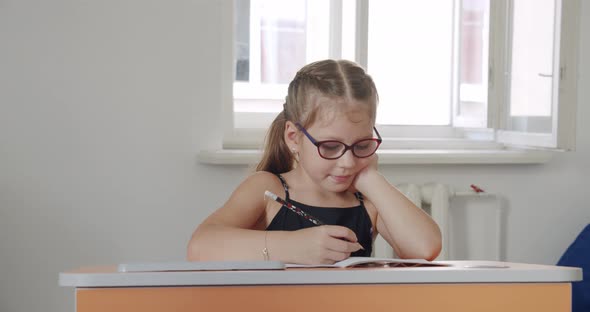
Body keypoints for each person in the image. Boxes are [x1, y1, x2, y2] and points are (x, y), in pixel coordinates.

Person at [188, 59, 441, 264]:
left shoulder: (367, 202)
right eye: (330, 147)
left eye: (362, 145)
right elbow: (200, 247)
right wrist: (291, 247)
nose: (348, 162)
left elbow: (425, 248)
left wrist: (370, 179)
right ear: (293, 138)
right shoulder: (268, 190)